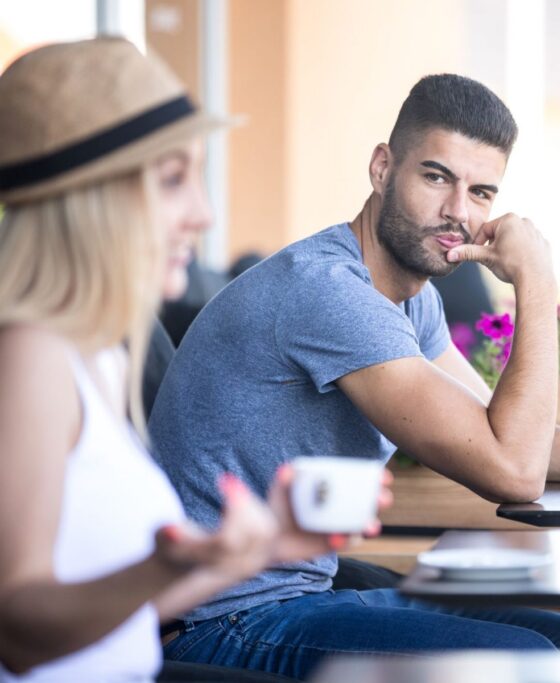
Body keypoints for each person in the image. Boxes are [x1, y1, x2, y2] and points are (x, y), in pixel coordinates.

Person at [148, 73, 560, 673]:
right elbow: (513, 473)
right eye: (436, 177)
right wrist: (537, 283)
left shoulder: (411, 300)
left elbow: (501, 433)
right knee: (530, 662)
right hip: (220, 619)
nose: (457, 213)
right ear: (383, 168)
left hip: (293, 596)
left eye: (481, 192)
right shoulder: (330, 293)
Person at [0, 38, 383, 681]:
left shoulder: (100, 361)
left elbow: (117, 612)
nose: (202, 215)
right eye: (174, 180)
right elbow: (15, 625)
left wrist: (245, 556)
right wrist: (173, 564)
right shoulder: (30, 358)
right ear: (92, 197)